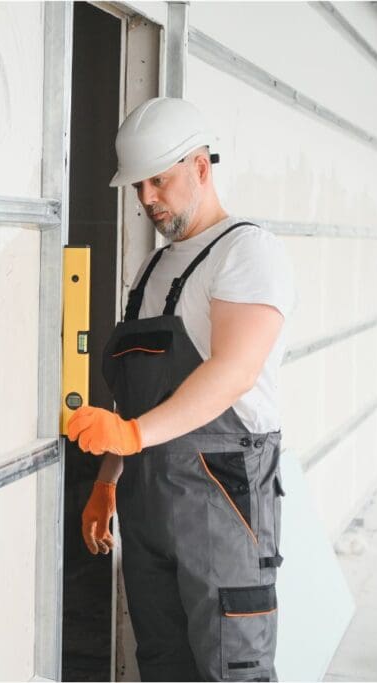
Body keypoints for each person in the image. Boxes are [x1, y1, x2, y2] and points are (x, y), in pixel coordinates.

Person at [66, 97, 295, 681]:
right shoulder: (151, 270)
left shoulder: (246, 252)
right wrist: (108, 479)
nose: (146, 199)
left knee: (231, 669)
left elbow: (233, 371)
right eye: (139, 185)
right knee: (164, 666)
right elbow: (136, 397)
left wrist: (134, 433)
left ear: (200, 166)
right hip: (149, 508)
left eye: (158, 181)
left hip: (221, 507)